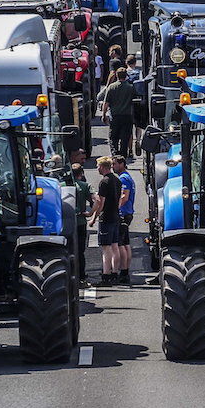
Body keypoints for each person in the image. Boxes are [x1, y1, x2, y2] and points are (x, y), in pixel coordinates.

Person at [88, 157, 123, 286]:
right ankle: (115, 273)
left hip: (106, 217)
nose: (97, 168)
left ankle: (106, 276)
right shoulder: (117, 181)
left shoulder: (104, 182)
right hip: (115, 215)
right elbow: (119, 200)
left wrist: (94, 218)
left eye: (98, 166)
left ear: (102, 167)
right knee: (115, 246)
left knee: (106, 248)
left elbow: (101, 202)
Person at [64, 163, 93, 281]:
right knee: (80, 251)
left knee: (67, 249)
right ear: (81, 174)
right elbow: (95, 200)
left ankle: (67, 274)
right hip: (81, 221)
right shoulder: (85, 185)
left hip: (66, 222)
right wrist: (92, 214)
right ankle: (81, 275)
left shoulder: (61, 186)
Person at [101, 67, 136, 161]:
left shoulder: (111, 87)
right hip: (127, 116)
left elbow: (106, 103)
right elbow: (135, 102)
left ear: (116, 75)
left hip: (115, 116)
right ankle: (122, 158)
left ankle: (115, 155)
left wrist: (103, 115)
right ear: (126, 76)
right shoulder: (131, 87)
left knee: (113, 138)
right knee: (125, 138)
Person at [113, 155, 135, 285]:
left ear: (122, 163)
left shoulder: (123, 178)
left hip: (124, 212)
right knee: (125, 243)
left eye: (115, 164)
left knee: (121, 244)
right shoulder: (127, 177)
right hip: (128, 212)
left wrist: (116, 208)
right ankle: (125, 271)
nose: (113, 167)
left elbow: (124, 196)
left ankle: (124, 271)